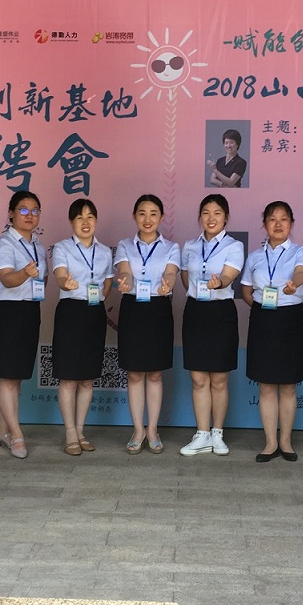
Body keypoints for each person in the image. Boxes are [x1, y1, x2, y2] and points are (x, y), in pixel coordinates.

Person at [240, 201, 303, 462]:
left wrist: (294, 285)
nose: (278, 224)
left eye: (283, 219)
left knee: (288, 385)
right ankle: (270, 443)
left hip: (290, 319)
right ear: (265, 224)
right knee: (266, 385)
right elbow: (246, 291)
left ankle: (286, 442)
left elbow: (301, 272)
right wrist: (263, 308)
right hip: (262, 319)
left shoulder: (300, 251)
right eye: (272, 219)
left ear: (291, 223)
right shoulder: (255, 256)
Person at [0, 190, 46, 459]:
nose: (30, 215)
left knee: (15, 377)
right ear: (11, 213)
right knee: (8, 377)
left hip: (29, 311)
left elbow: (41, 280)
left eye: (35, 211)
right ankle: (16, 435)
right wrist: (25, 273)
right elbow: (8, 279)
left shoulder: (38, 245)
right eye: (23, 210)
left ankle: (1, 429)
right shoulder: (4, 244)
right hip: (7, 313)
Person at [115, 194, 181, 454]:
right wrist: (125, 282)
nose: (147, 219)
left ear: (161, 217)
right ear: (134, 216)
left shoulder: (171, 247)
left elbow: (171, 273)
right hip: (132, 309)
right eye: (142, 213)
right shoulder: (124, 245)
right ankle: (137, 430)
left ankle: (152, 429)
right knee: (134, 373)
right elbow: (124, 270)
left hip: (159, 309)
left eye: (153, 213)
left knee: (155, 374)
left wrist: (167, 285)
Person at [178, 194, 243, 457]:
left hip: (221, 313)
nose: (211, 218)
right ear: (200, 217)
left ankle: (218, 433)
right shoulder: (190, 246)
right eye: (206, 212)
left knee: (218, 378)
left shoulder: (234, 246)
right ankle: (202, 434)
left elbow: (229, 275)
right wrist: (200, 291)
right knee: (197, 378)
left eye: (217, 213)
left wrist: (219, 283)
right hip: (195, 311)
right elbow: (185, 279)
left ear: (225, 217)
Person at [51, 198, 114, 455]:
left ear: (96, 221)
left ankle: (80, 431)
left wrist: (101, 296)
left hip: (94, 313)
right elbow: (60, 276)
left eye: (90, 217)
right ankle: (69, 433)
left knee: (87, 379)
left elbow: (108, 281)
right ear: (71, 222)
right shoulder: (62, 247)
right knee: (68, 379)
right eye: (79, 217)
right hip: (70, 312)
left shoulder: (105, 251)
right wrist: (66, 283)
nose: (85, 222)